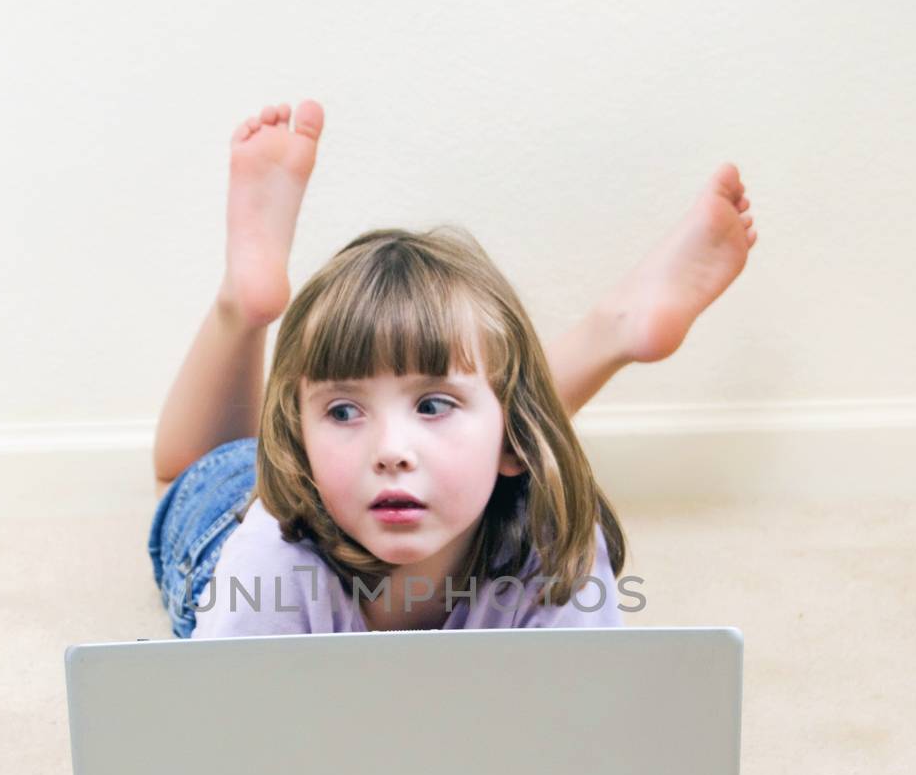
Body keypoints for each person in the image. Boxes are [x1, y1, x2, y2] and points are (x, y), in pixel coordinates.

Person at [149, 99, 757, 638]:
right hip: (233, 517)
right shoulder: (268, 569)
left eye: (431, 405)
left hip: (455, 475)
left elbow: (586, 718)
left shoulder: (554, 547)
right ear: (298, 442)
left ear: (516, 442)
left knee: (486, 408)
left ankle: (615, 326)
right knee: (190, 467)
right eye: (344, 409)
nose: (391, 451)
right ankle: (242, 304)